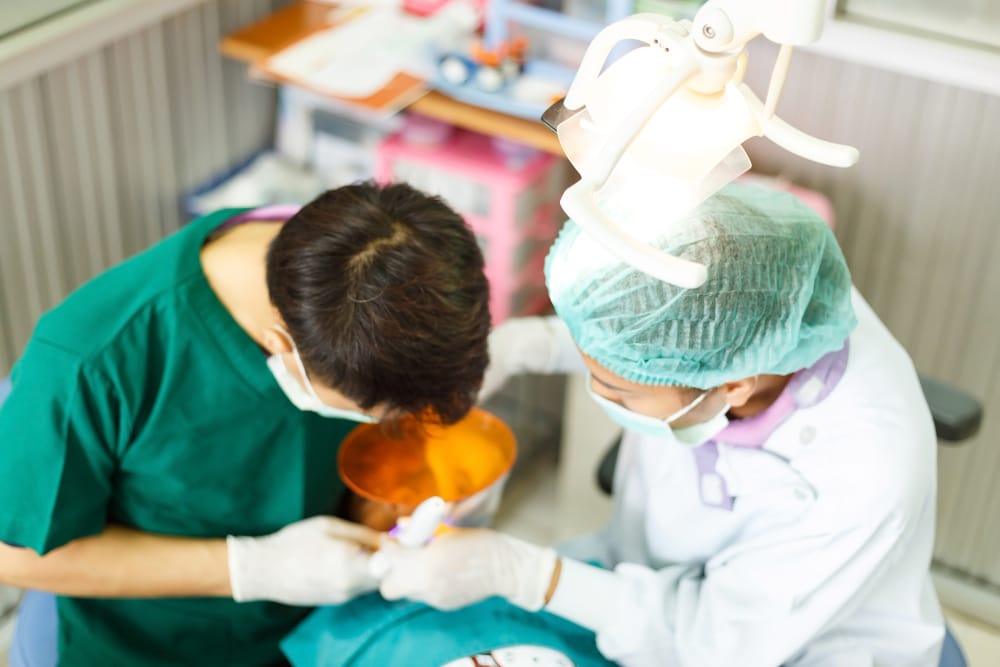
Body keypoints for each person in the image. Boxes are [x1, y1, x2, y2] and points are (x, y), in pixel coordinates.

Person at [376, 184, 945, 666]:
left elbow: (713, 645)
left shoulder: (863, 478)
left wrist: (523, 574)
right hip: (650, 578)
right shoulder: (760, 305)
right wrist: (531, 346)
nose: (600, 394)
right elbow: (649, 337)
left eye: (617, 389)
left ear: (732, 388)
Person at [0, 182, 491, 665]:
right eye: (369, 413)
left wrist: (390, 500)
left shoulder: (366, 262)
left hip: (314, 630)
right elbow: (14, 554)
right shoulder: (93, 358)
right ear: (281, 342)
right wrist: (248, 569)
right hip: (152, 646)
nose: (390, 423)